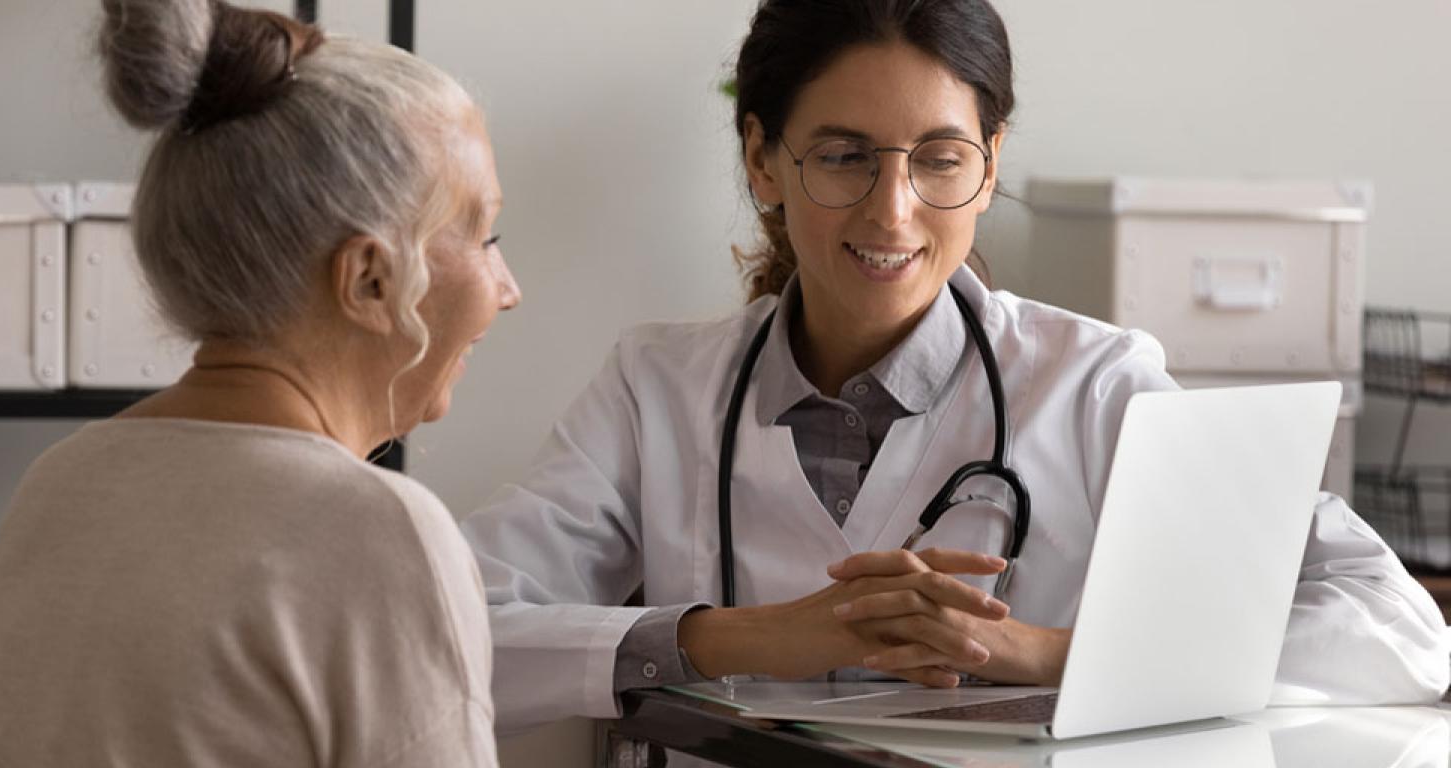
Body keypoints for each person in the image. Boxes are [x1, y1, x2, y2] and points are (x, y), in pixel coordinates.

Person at [460, 0, 1449, 734]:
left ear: (991, 161)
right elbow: (452, 633)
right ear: (763, 159)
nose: (893, 212)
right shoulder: (657, 388)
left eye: (938, 159)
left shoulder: (1098, 387)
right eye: (845, 156)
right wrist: (754, 637)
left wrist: (1056, 657)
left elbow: (1395, 624)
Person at [0, 1, 519, 765]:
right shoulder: (379, 533)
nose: (507, 289)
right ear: (370, 279)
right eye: (486, 234)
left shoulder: (58, 482)